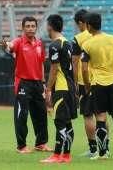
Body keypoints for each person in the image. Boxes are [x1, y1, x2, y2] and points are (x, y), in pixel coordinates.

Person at [81, 12, 113, 160]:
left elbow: (84, 68)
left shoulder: (87, 44)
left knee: (101, 117)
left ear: (89, 26)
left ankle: (103, 153)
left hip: (98, 84)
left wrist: (86, 86)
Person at [0, 16, 51, 153]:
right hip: (23, 83)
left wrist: (43, 83)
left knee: (41, 113)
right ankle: (21, 146)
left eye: (32, 26)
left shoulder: (40, 44)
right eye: (27, 26)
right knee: (22, 114)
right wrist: (6, 45)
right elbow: (10, 46)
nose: (30, 29)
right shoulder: (19, 42)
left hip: (38, 83)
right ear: (23, 28)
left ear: (36, 28)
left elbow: (41, 64)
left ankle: (41, 143)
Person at [40, 14, 77, 163]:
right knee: (67, 122)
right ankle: (66, 155)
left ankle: (56, 155)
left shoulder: (55, 45)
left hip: (61, 88)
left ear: (49, 26)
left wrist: (48, 89)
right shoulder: (67, 42)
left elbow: (54, 70)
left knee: (60, 121)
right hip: (69, 86)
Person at [71, 9, 99, 157]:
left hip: (85, 81)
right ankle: (104, 146)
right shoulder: (100, 35)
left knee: (88, 115)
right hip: (101, 80)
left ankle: (93, 149)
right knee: (101, 114)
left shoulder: (78, 38)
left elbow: (75, 62)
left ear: (81, 23)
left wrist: (75, 83)